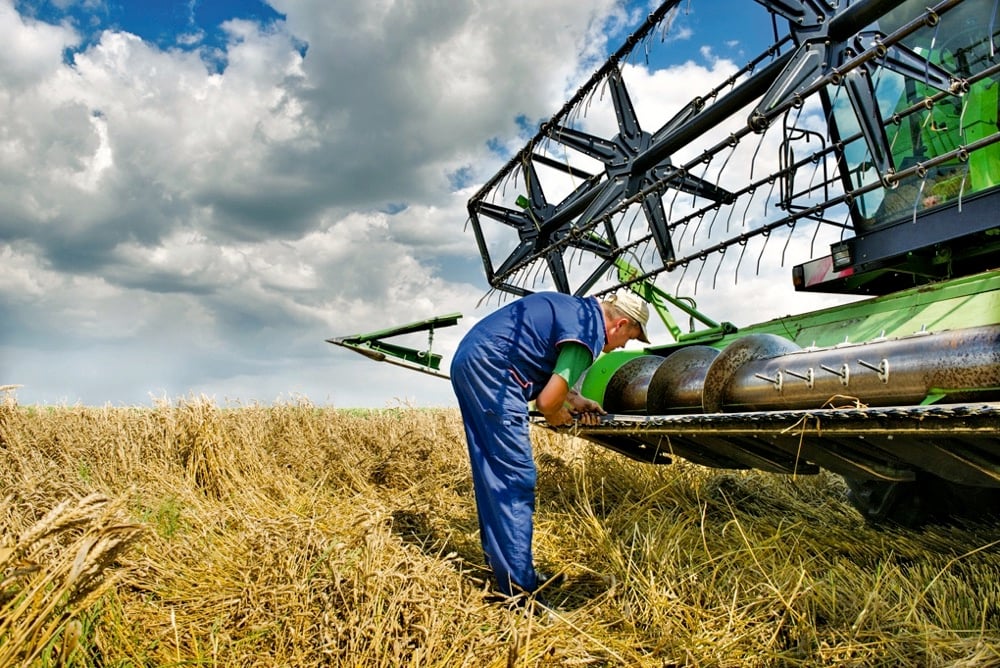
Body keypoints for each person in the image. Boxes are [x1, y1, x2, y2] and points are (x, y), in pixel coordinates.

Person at [449, 290, 650, 599]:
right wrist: (558, 413)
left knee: (494, 474)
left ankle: (508, 571)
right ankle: (521, 593)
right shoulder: (588, 333)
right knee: (515, 477)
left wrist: (574, 398)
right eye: (629, 338)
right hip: (494, 370)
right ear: (620, 324)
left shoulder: (575, 311)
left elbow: (538, 357)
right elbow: (546, 401)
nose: (623, 346)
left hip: (473, 358)